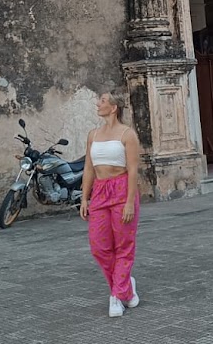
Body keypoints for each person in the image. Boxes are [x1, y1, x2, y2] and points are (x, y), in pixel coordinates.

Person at [79, 91, 142, 317]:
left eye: (103, 100)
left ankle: (116, 296)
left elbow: (133, 171)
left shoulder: (128, 134)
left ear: (114, 107)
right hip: (100, 191)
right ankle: (126, 289)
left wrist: (129, 203)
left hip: (122, 188)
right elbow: (88, 167)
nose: (98, 103)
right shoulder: (93, 135)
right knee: (99, 247)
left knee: (123, 245)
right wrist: (84, 197)